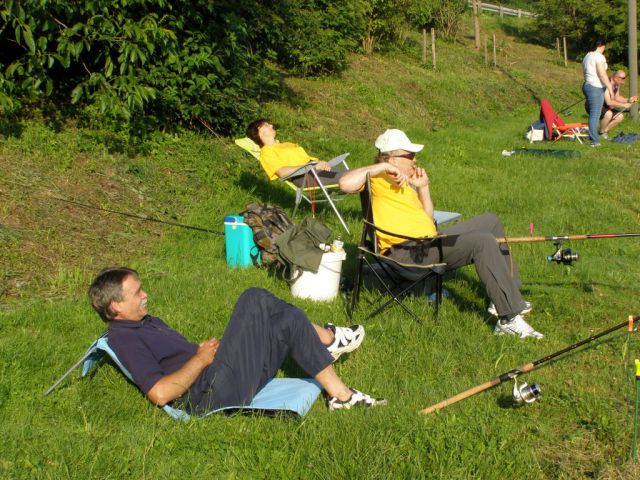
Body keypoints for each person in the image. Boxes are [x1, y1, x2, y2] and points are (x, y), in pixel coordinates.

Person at [88, 267, 386, 414]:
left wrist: (203, 355)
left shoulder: (144, 322)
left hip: (217, 375)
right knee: (253, 297)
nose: (145, 295)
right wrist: (200, 359)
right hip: (208, 395)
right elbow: (160, 393)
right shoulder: (124, 339)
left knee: (288, 320)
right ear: (115, 306)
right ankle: (331, 340)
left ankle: (342, 397)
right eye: (138, 292)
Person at [339, 129, 544, 340]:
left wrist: (423, 188)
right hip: (405, 252)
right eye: (409, 155)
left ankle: (509, 294)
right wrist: (381, 167)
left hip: (427, 242)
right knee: (482, 242)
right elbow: (344, 184)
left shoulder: (403, 183)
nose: (414, 160)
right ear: (391, 158)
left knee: (490, 221)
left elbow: (428, 220)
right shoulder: (374, 178)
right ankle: (508, 319)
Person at [246, 119, 347, 187]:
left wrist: (320, 162)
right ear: (259, 131)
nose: (271, 125)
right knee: (360, 176)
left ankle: (364, 217)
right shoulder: (266, 152)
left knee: (361, 176)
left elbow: (309, 159)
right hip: (305, 176)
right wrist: (309, 166)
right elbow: (281, 172)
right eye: (266, 125)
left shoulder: (287, 144)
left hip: (318, 171)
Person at [582, 39, 614, 147]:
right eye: (604, 47)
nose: (604, 49)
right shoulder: (599, 56)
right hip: (595, 86)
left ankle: (594, 138)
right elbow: (602, 74)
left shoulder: (587, 56)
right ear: (601, 46)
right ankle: (594, 141)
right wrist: (610, 87)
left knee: (595, 114)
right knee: (595, 115)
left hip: (587, 85)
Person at [599, 70, 638, 140]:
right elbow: (608, 102)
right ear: (615, 78)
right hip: (597, 104)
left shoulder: (616, 84)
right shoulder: (607, 84)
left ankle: (603, 132)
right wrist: (624, 105)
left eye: (624, 78)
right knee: (609, 114)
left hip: (605, 106)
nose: (623, 80)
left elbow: (617, 97)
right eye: (622, 78)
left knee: (620, 116)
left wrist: (628, 100)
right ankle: (601, 132)